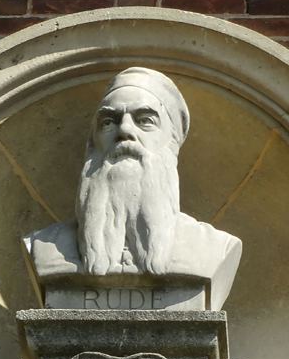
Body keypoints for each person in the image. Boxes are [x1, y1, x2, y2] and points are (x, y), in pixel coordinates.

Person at [24, 67, 242, 311]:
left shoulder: (211, 248)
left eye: (145, 121)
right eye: (108, 122)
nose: (125, 131)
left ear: (171, 141)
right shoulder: (45, 247)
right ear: (92, 143)